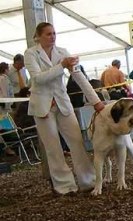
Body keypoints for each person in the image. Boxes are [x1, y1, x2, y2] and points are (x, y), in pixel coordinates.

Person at [24, 22, 105, 195]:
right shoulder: (30, 53)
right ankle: (64, 186)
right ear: (38, 36)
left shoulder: (63, 52)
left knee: (77, 141)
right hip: (43, 106)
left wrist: (96, 101)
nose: (52, 36)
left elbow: (79, 77)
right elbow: (37, 79)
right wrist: (61, 66)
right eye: (48, 34)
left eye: (54, 33)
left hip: (63, 103)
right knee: (53, 147)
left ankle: (88, 180)